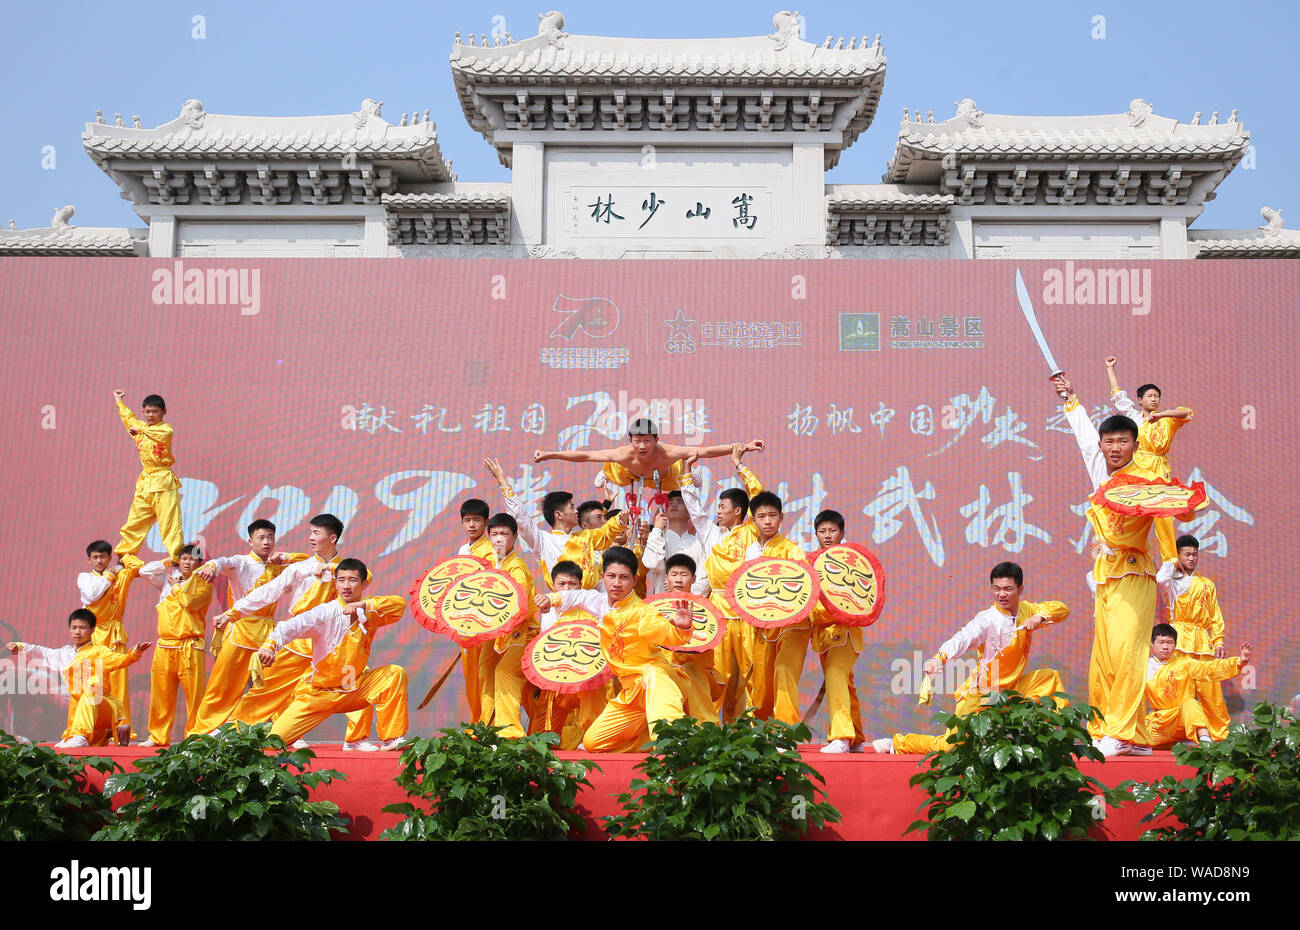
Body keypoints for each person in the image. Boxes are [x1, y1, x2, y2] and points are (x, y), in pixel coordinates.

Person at [1054, 373, 1200, 757]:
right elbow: (1085, 438)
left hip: (1135, 576)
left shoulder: (1150, 479)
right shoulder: (1103, 474)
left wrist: (1173, 550)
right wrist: (1071, 400)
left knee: (1127, 652)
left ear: (1137, 444)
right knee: (1103, 657)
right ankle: (1119, 731)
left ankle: (1119, 731)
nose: (1115, 447)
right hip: (1105, 577)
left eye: (1123, 441)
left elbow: (1175, 513)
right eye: (1110, 441)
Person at [873, 562, 1068, 754]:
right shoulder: (987, 619)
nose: (1002, 594)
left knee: (1049, 678)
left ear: (1020, 589)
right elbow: (963, 638)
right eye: (997, 588)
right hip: (984, 693)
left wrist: (1039, 618)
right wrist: (938, 658)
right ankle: (899, 743)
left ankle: (1059, 737)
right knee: (952, 746)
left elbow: (1061, 609)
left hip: (1013, 688)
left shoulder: (1029, 610)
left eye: (1008, 589)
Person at [218, 514, 366, 748]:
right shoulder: (302, 568)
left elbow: (367, 578)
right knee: (267, 688)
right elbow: (268, 591)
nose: (310, 538)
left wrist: (334, 568)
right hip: (299, 637)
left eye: (316, 533)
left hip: (333, 639)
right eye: (310, 533)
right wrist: (233, 613)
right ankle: (235, 731)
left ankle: (356, 739)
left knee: (355, 679)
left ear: (333, 538)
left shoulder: (346, 570)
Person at [537, 546, 693, 752]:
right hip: (631, 692)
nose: (617, 583)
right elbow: (575, 597)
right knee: (593, 743)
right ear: (603, 577)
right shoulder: (599, 601)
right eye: (611, 576)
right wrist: (551, 599)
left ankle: (672, 743)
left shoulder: (641, 613)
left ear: (634, 581)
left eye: (624, 578)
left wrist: (683, 627)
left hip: (656, 683)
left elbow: (667, 633)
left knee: (653, 673)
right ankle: (648, 741)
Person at [258, 559, 409, 750]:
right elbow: (290, 627)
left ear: (364, 584)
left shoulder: (369, 611)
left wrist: (364, 604)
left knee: (394, 674)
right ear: (335, 583)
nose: (346, 586)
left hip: (354, 688)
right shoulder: (325, 613)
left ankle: (390, 739)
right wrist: (269, 645)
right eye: (341, 580)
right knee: (272, 744)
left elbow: (399, 605)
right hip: (319, 694)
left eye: (352, 580)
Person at [188, 520, 305, 735]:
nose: (267, 542)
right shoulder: (240, 563)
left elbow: (310, 562)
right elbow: (222, 562)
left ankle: (279, 731)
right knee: (223, 684)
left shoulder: (279, 565)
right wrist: (211, 566)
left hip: (268, 631)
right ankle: (203, 731)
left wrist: (288, 557)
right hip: (240, 629)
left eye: (270, 537)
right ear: (250, 541)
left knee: (274, 683)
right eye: (261, 538)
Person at [679, 444, 764, 720]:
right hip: (719, 610)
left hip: (746, 610)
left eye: (723, 507)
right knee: (718, 673)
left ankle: (754, 730)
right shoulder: (713, 534)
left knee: (752, 671)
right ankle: (711, 728)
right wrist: (686, 471)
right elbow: (695, 510)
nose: (718, 511)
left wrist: (739, 465)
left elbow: (759, 496)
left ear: (739, 511)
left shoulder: (752, 531)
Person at [6, 610, 152, 748]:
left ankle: (81, 735)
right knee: (79, 704)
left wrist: (135, 653)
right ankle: (87, 734)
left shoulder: (100, 651)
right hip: (81, 707)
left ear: (92, 630)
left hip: (102, 704)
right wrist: (19, 646)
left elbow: (121, 660)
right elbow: (43, 653)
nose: (77, 632)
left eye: (82, 628)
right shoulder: (65, 654)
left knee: (89, 695)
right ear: (69, 629)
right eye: (74, 627)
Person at [483, 458, 625, 588]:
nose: (577, 511)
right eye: (571, 507)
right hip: (562, 607)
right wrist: (502, 481)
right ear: (558, 515)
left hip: (592, 606)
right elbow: (520, 516)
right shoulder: (544, 541)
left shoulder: (586, 537)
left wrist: (621, 520)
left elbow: (606, 532)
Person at [1104, 357, 1193, 561]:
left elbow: (1187, 412)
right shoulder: (1134, 418)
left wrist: (1161, 415)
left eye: (1157, 396)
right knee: (1129, 510)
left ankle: (1170, 559)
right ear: (1140, 400)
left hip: (1159, 467)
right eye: (1150, 396)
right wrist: (1110, 369)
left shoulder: (1168, 420)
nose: (1154, 399)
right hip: (1137, 467)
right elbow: (1118, 396)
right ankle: (1125, 551)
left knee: (1163, 513)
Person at [534, 417, 763, 491]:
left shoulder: (669, 451)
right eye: (637, 441)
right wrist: (549, 454)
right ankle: (608, 474)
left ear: (656, 439)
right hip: (634, 475)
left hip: (665, 477)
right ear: (631, 440)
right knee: (610, 464)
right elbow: (584, 456)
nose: (642, 446)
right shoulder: (624, 453)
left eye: (646, 441)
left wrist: (745, 446)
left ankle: (691, 472)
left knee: (688, 471)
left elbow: (705, 450)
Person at [745, 491, 812, 723]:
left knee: (784, 670)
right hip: (762, 625)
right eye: (761, 516)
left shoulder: (792, 550)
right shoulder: (750, 551)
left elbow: (805, 584)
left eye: (772, 515)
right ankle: (761, 729)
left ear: (781, 517)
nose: (767, 520)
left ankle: (785, 730)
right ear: (753, 520)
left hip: (793, 624)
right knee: (761, 683)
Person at [138, 544, 214, 747]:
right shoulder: (168, 580)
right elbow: (144, 571)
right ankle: (157, 736)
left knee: (195, 696)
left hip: (189, 646)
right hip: (164, 646)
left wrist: (177, 586)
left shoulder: (203, 583)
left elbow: (189, 603)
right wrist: (168, 562)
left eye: (192, 559)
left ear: (200, 563)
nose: (188, 563)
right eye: (184, 559)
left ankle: (196, 735)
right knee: (161, 694)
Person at [1156, 534, 1230, 739]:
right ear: (1179, 556)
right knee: (1179, 689)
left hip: (1202, 640)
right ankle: (1183, 733)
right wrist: (1172, 560)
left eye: (1195, 555)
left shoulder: (1206, 584)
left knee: (1211, 690)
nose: (1192, 558)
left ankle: (1219, 735)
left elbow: (1215, 614)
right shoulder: (1172, 582)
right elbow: (1160, 578)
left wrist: (1218, 640)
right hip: (1179, 639)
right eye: (1187, 554)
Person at [807, 510, 867, 754]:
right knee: (844, 682)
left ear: (843, 533)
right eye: (822, 531)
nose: (827, 535)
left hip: (845, 631)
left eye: (832, 530)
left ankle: (841, 736)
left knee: (834, 675)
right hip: (822, 634)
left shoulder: (851, 562)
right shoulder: (812, 562)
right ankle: (857, 738)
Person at [530, 560, 606, 749]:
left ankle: (593, 743)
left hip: (586, 678)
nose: (566, 589)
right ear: (552, 585)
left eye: (572, 585)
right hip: (555, 679)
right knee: (540, 738)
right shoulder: (545, 610)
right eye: (561, 584)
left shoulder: (591, 604)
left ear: (580, 586)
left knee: (592, 722)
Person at [475, 513, 538, 739]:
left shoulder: (517, 567)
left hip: (521, 631)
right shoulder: (490, 565)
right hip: (496, 631)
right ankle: (488, 726)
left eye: (504, 534)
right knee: (485, 670)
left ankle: (509, 732)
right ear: (488, 537)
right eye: (494, 534)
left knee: (505, 673)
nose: (499, 539)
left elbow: (518, 604)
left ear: (515, 537)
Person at [78, 540, 144, 744]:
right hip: (94, 635)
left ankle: (121, 734)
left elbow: (141, 569)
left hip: (115, 634)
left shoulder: (120, 574)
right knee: (92, 685)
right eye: (95, 557)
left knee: (118, 685)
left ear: (109, 558)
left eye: (103, 557)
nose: (99, 560)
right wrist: (110, 574)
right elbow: (92, 594)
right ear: (89, 560)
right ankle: (90, 733)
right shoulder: (85, 578)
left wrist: (125, 557)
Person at [1144, 624, 1252, 747]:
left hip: (1183, 718)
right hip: (1160, 722)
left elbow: (1210, 668)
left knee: (1190, 703)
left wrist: (1240, 662)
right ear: (1152, 644)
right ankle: (1176, 742)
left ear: (1175, 645)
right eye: (1161, 642)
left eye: (1170, 643)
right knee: (1138, 740)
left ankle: (1205, 741)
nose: (1165, 647)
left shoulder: (1185, 663)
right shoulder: (1144, 666)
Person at [112, 389, 184, 561]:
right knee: (136, 519)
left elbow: (148, 430)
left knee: (169, 523)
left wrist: (139, 430)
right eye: (147, 412)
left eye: (154, 411)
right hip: (146, 482)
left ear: (163, 412)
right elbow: (128, 419)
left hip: (164, 481)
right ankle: (125, 555)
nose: (150, 415)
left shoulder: (165, 430)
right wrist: (119, 401)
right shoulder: (140, 429)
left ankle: (176, 559)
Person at [659, 553, 719, 722]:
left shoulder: (706, 610)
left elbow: (708, 647)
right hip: (666, 670)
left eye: (684, 575)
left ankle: (707, 731)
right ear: (666, 578)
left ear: (693, 579)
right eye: (674, 574)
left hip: (698, 672)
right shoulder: (654, 608)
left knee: (691, 671)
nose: (678, 580)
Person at [456, 498, 494, 723]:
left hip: (485, 621)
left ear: (486, 522)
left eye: (477, 520)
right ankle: (476, 723)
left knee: (484, 676)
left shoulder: (491, 549)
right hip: (465, 622)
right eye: (467, 520)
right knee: (471, 677)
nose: (471, 525)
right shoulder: (463, 549)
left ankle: (487, 725)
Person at [641, 492, 710, 596]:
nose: (674, 505)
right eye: (670, 503)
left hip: (691, 605)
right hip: (662, 604)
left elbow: (703, 578)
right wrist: (657, 529)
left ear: (689, 512)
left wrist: (686, 594)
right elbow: (652, 563)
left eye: (679, 502)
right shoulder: (658, 539)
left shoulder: (700, 544)